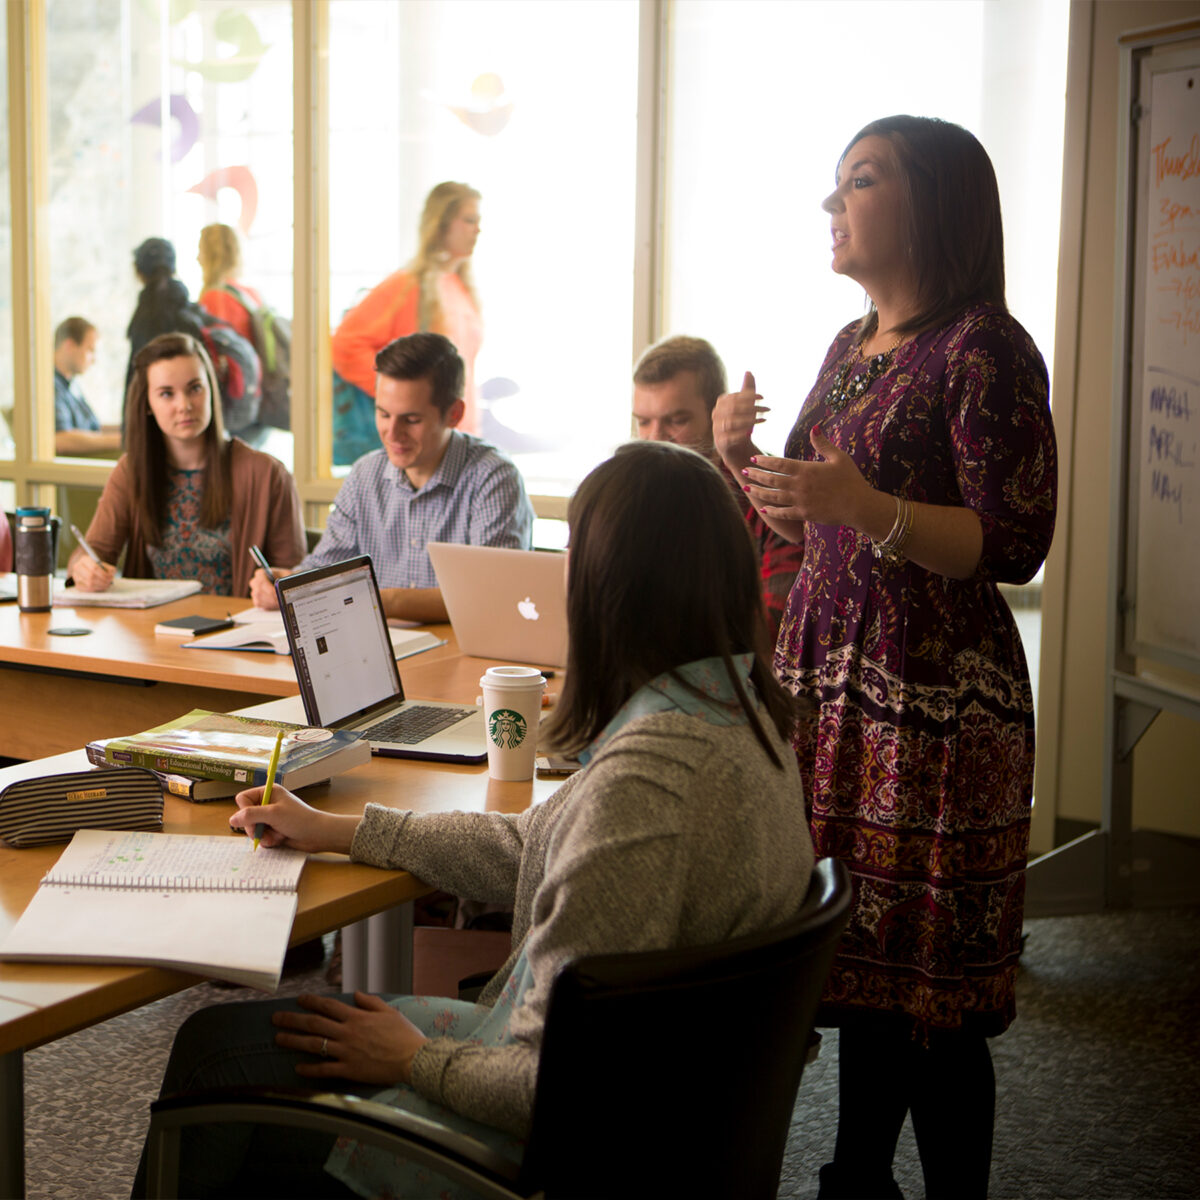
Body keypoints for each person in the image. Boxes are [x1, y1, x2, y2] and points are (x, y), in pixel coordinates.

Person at [132, 439, 815, 1199]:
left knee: (213, 1062)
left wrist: (412, 1060)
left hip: (543, 1146)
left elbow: (544, 1082)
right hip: (669, 1110)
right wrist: (341, 831)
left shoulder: (649, 785)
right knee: (221, 1044)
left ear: (607, 592)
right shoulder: (738, 719)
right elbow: (534, 844)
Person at [713, 115, 1058, 1200]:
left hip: (938, 713)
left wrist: (866, 506)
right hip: (840, 695)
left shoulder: (985, 350)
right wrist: (739, 461)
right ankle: (855, 1178)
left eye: (861, 181)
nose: (835, 203)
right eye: (837, 182)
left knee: (932, 998)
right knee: (862, 974)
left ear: (931, 207)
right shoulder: (849, 345)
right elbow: (806, 531)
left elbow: (1010, 541)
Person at [250, 331, 532, 623]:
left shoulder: (493, 477)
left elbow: (492, 595)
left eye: (411, 420)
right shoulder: (365, 474)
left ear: (454, 414)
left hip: (466, 657)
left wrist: (383, 600)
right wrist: (292, 583)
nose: (392, 434)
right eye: (384, 414)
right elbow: (327, 567)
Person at [69, 332, 304, 597]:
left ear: (211, 390)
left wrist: (282, 586)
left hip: (237, 633)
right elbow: (92, 551)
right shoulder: (131, 471)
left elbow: (297, 573)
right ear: (147, 404)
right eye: (167, 394)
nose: (184, 405)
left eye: (195, 388)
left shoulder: (268, 474)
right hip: (151, 631)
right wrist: (84, 568)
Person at [633, 334, 804, 639]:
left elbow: (777, 626)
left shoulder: (764, 497)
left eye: (676, 420)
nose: (655, 438)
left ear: (717, 413)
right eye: (643, 422)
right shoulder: (625, 494)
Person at [332, 182, 483, 464]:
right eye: (469, 220)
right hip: (422, 449)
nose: (477, 230)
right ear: (442, 223)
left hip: (461, 439)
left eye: (478, 222)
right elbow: (345, 345)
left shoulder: (460, 287)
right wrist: (399, 397)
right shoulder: (408, 285)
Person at [53, 317, 121, 456]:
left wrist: (129, 429)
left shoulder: (71, 385)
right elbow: (61, 439)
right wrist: (123, 440)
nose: (94, 360)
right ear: (69, 346)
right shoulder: (50, 386)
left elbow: (93, 429)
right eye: (90, 350)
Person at [196, 223, 261, 343]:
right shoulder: (252, 293)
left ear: (212, 255)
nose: (197, 258)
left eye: (200, 250)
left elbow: (216, 350)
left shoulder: (214, 297)